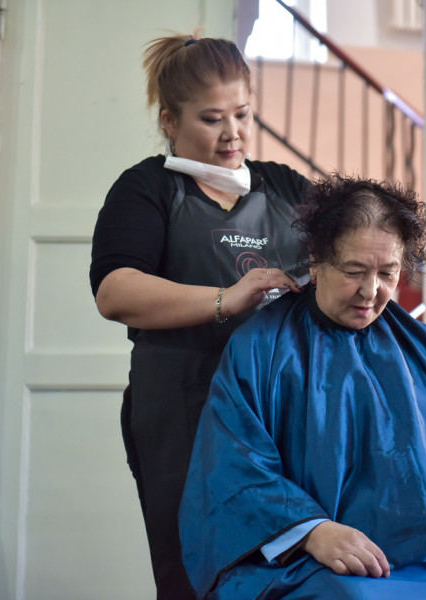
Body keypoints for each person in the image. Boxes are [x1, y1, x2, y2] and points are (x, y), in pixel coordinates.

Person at [179, 175, 426, 599]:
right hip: (309, 561)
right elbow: (235, 464)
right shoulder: (261, 348)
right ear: (316, 261)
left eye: (388, 273)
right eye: (354, 271)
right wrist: (312, 531)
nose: (371, 292)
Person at [89, 33, 311, 599]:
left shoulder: (286, 187)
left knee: (292, 567)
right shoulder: (147, 189)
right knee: (196, 573)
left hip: (279, 408)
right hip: (185, 408)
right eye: (212, 119)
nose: (232, 133)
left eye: (242, 113)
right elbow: (115, 291)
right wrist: (225, 299)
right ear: (170, 120)